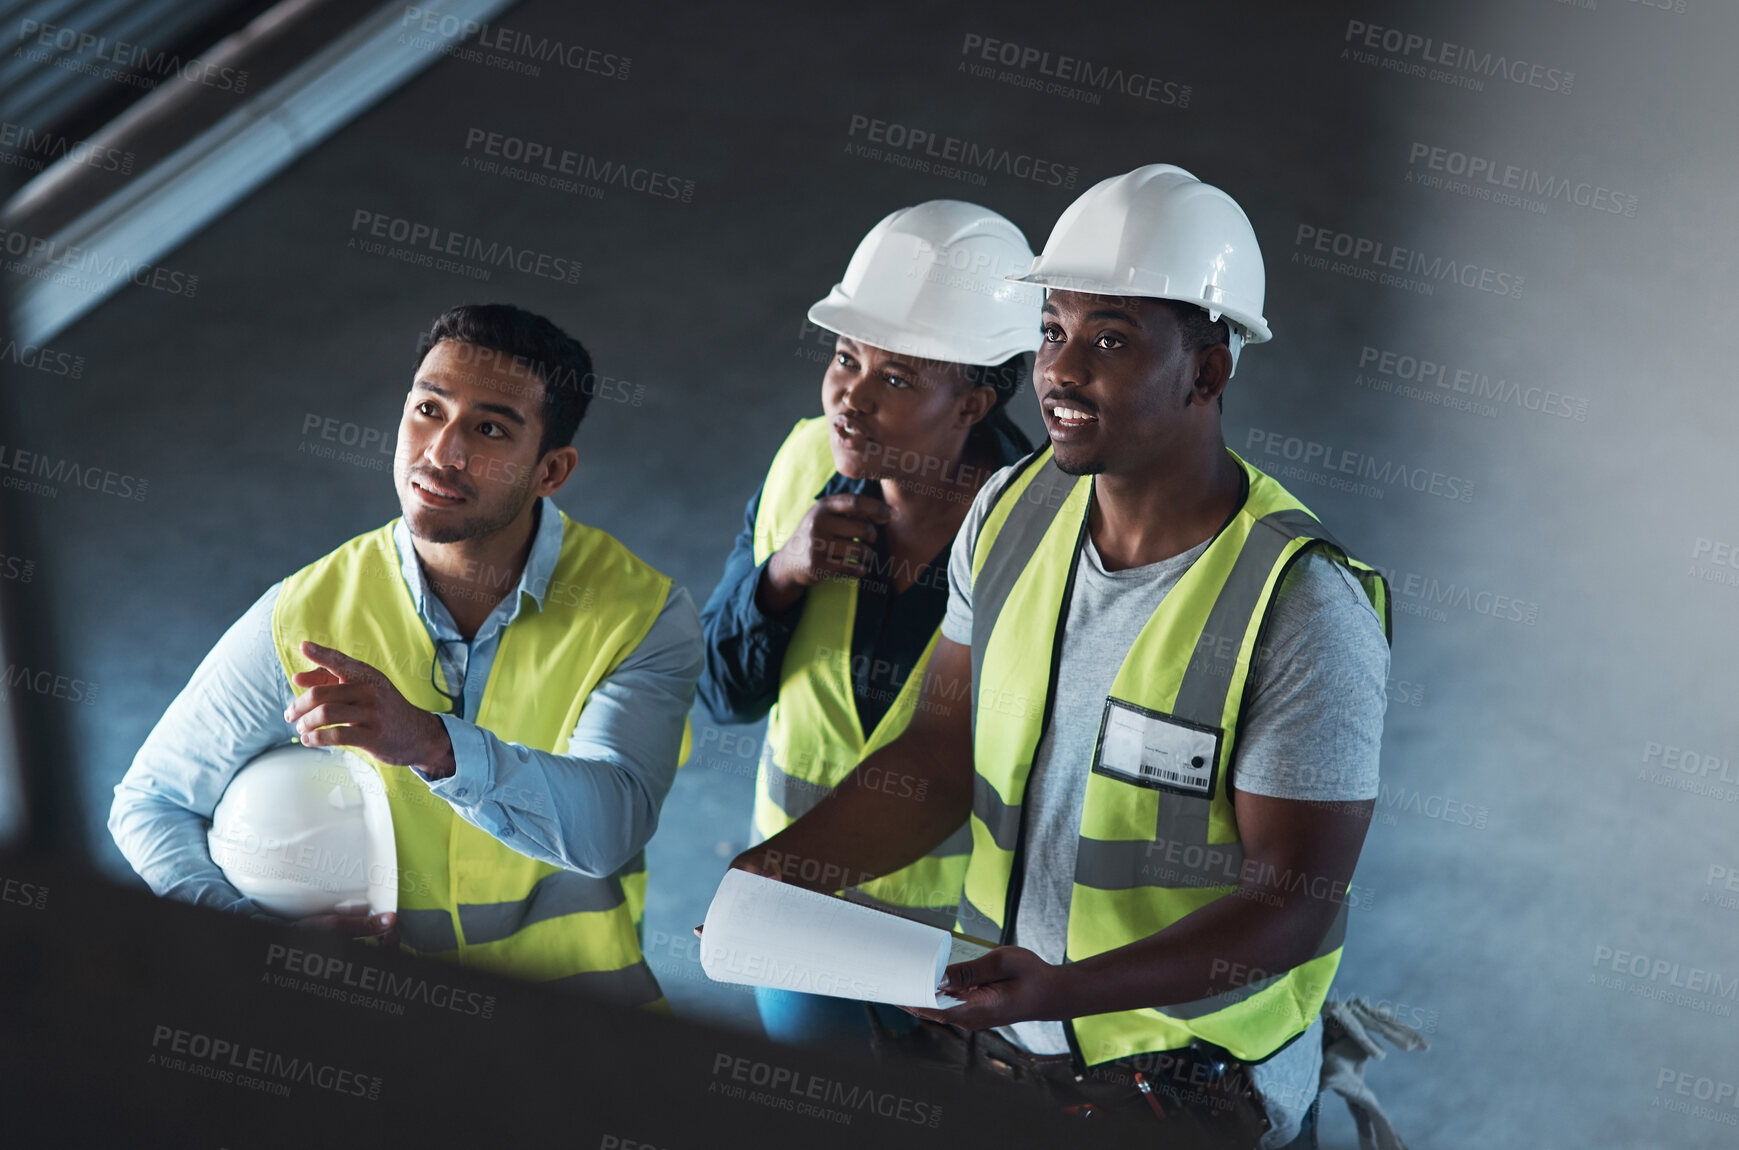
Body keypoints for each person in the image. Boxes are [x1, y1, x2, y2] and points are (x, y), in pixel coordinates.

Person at [731, 166, 1392, 1149]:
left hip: (1189, 1088)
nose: (1059, 371)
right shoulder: (1013, 511)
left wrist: (1065, 989)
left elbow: (1286, 909)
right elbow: (937, 753)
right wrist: (779, 875)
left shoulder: (1296, 605)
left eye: (1109, 339)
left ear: (1206, 370)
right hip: (1007, 1052)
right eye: (1051, 331)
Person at [110, 303, 702, 1008]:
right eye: (428, 408)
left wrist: (430, 743)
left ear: (551, 471)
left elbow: (610, 828)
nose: (440, 452)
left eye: (488, 429)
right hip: (373, 1036)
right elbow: (151, 803)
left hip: (580, 1030)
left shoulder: (641, 614)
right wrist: (249, 939)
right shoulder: (303, 615)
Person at [698, 200, 1042, 1046]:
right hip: (800, 934)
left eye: (895, 377)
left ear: (973, 400)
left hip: (965, 959)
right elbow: (718, 692)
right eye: (846, 357)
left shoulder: (1046, 537)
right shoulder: (804, 464)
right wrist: (779, 576)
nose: (849, 398)